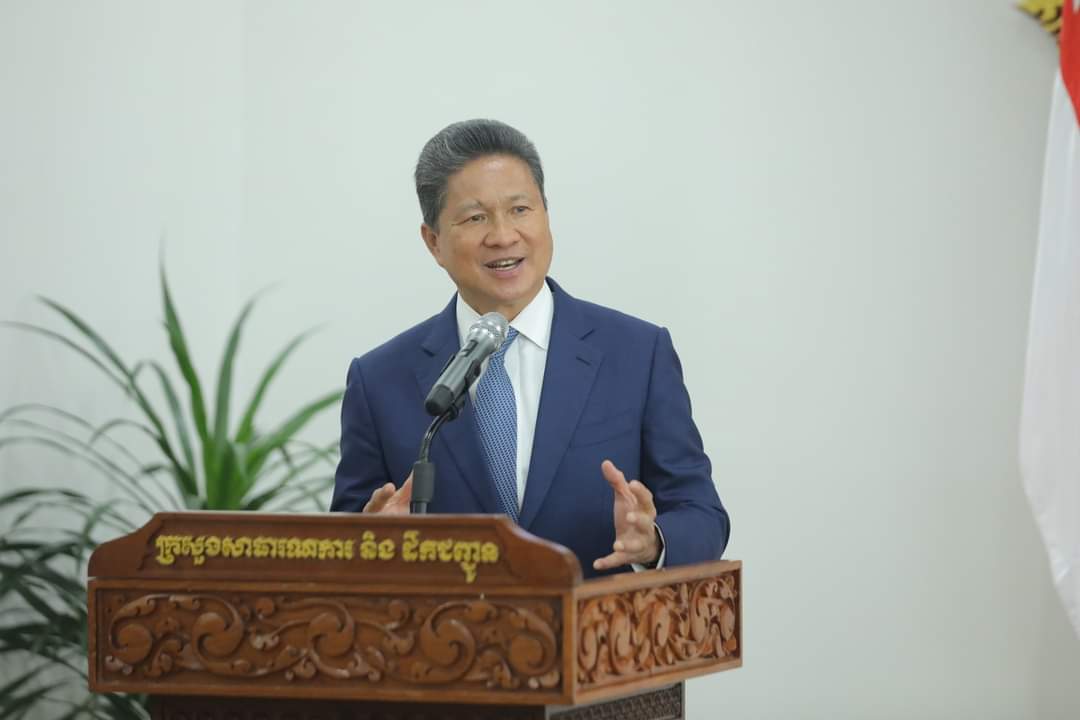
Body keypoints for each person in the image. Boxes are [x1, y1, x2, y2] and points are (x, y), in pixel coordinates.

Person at [331, 119, 729, 577]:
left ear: (546, 214)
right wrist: (368, 543)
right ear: (434, 242)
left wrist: (652, 540)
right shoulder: (379, 380)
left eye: (520, 209)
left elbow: (702, 514)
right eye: (475, 217)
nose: (503, 235)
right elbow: (340, 544)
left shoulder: (637, 354)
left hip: (596, 620)